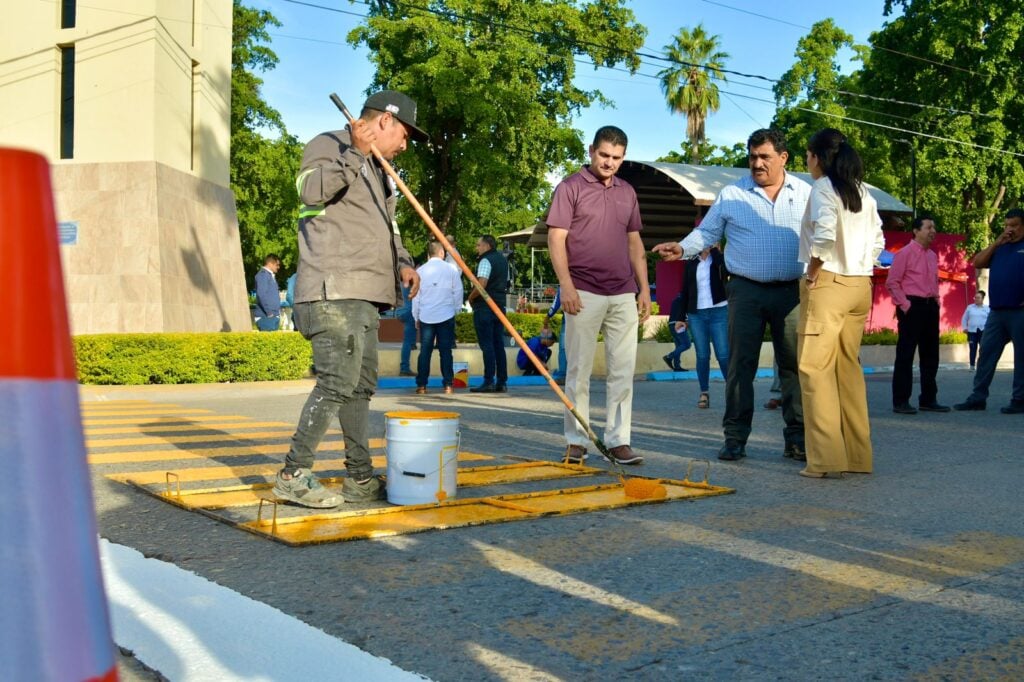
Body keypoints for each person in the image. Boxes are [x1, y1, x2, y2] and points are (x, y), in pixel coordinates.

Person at [272, 90, 426, 508]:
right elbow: (309, 191)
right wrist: (355, 155)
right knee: (337, 382)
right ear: (383, 123)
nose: (406, 144)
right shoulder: (329, 145)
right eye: (405, 134)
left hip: (364, 296)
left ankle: (359, 477)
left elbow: (388, 231)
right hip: (333, 289)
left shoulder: (381, 172)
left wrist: (404, 264)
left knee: (359, 387)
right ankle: (293, 473)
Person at [653, 128, 810, 463]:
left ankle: (797, 439)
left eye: (765, 156)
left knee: (794, 367)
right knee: (740, 366)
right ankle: (735, 437)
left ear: (783, 158)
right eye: (752, 157)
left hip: (792, 293)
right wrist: (682, 248)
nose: (757, 163)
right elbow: (707, 233)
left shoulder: (807, 194)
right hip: (745, 291)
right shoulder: (732, 194)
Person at [547, 125, 651, 466]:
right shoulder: (570, 187)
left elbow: (635, 242)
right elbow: (556, 239)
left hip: (623, 293)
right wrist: (566, 286)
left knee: (623, 371)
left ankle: (619, 441)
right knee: (578, 370)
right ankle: (577, 441)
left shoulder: (628, 192)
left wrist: (644, 288)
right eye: (604, 155)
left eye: (617, 158)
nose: (609, 163)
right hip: (583, 291)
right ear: (592, 150)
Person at [796, 128, 885, 479]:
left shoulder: (822, 188)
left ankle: (825, 460)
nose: (807, 161)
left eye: (808, 155)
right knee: (847, 370)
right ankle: (858, 457)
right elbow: (878, 240)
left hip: (830, 282)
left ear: (818, 157)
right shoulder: (864, 192)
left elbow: (825, 235)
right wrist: (861, 262)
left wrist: (814, 272)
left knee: (814, 370)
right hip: (861, 285)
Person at [954, 209, 1024, 414]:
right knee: (986, 352)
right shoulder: (1000, 247)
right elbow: (977, 262)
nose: (1010, 229)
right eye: (1007, 225)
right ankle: (978, 397)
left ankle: (1019, 399)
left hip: (1020, 312)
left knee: (1021, 357)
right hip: (997, 312)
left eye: (1015, 225)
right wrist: (996, 243)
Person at [886, 215, 951, 414]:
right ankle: (901, 401)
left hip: (930, 306)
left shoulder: (932, 255)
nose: (933, 231)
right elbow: (892, 282)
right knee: (905, 354)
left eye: (934, 227)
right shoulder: (904, 253)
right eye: (929, 227)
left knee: (931, 355)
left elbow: (933, 282)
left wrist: (937, 299)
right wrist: (905, 305)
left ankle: (928, 399)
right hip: (912, 306)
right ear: (916, 230)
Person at [675, 245, 730, 409]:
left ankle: (733, 390)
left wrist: (715, 251)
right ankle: (704, 392)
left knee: (723, 354)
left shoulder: (719, 259)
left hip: (719, 311)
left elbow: (726, 272)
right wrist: (680, 317)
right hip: (696, 314)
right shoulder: (691, 263)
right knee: (702, 355)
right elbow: (684, 291)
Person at [413, 240, 463, 394]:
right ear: (442, 253)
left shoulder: (420, 271)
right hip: (446, 315)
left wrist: (416, 317)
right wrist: (455, 310)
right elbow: (458, 291)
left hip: (427, 316)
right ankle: (448, 384)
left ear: (429, 254)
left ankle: (422, 385)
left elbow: (416, 296)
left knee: (425, 351)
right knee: (446, 351)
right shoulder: (451, 269)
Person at [466, 235, 510, 393]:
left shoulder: (485, 260)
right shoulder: (504, 261)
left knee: (487, 345)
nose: (477, 248)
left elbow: (481, 284)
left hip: (485, 307)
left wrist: (470, 298)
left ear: (486, 246)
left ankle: (489, 380)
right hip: (499, 306)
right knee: (498, 344)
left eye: (478, 245)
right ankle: (502, 381)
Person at [961, 290, 989, 370]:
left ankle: (982, 365)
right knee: (972, 348)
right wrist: (965, 328)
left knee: (983, 349)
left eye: (978, 298)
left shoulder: (987, 308)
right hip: (971, 332)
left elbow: (991, 320)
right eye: (975, 297)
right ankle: (972, 365)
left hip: (983, 331)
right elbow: (964, 318)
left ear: (982, 299)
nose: (976, 299)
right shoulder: (970, 307)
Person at [664, 292, 692, 373]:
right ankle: (669, 357)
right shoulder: (685, 300)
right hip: (679, 324)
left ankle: (677, 366)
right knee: (687, 344)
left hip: (671, 324)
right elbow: (685, 313)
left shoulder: (675, 300)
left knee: (679, 346)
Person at [254, 254, 282, 331]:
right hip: (266, 317)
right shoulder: (263, 275)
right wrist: (269, 313)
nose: (278, 267)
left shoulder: (269, 276)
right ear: (270, 264)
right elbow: (261, 295)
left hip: (272, 316)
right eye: (277, 265)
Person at [396, 284, 417, 376]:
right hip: (409, 310)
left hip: (399, 310)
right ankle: (404, 368)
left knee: (410, 335)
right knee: (407, 341)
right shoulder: (413, 279)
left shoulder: (401, 279)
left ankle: (413, 344)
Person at [547, 288, 567, 382]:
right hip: (583, 318)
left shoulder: (565, 282)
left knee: (563, 348)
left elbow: (557, 302)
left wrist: (548, 316)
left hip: (568, 319)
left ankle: (563, 374)